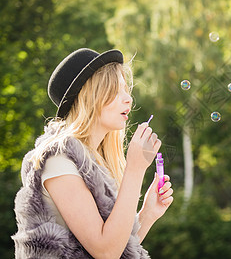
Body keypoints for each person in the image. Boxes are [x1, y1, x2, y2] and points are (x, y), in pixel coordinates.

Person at [12, 48, 173, 258]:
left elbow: (118, 248)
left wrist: (147, 214)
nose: (129, 99)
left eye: (127, 91)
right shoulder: (57, 159)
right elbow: (105, 252)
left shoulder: (95, 163)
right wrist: (136, 168)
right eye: (117, 91)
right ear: (91, 96)